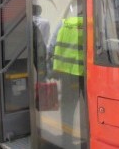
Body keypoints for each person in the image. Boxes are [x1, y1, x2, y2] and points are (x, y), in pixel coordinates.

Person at [47, 11, 86, 148]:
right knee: (88, 107)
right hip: (87, 73)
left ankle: (66, 138)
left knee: (68, 107)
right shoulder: (91, 24)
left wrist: (49, 65)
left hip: (68, 73)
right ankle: (88, 139)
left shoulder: (63, 23)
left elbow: (51, 46)